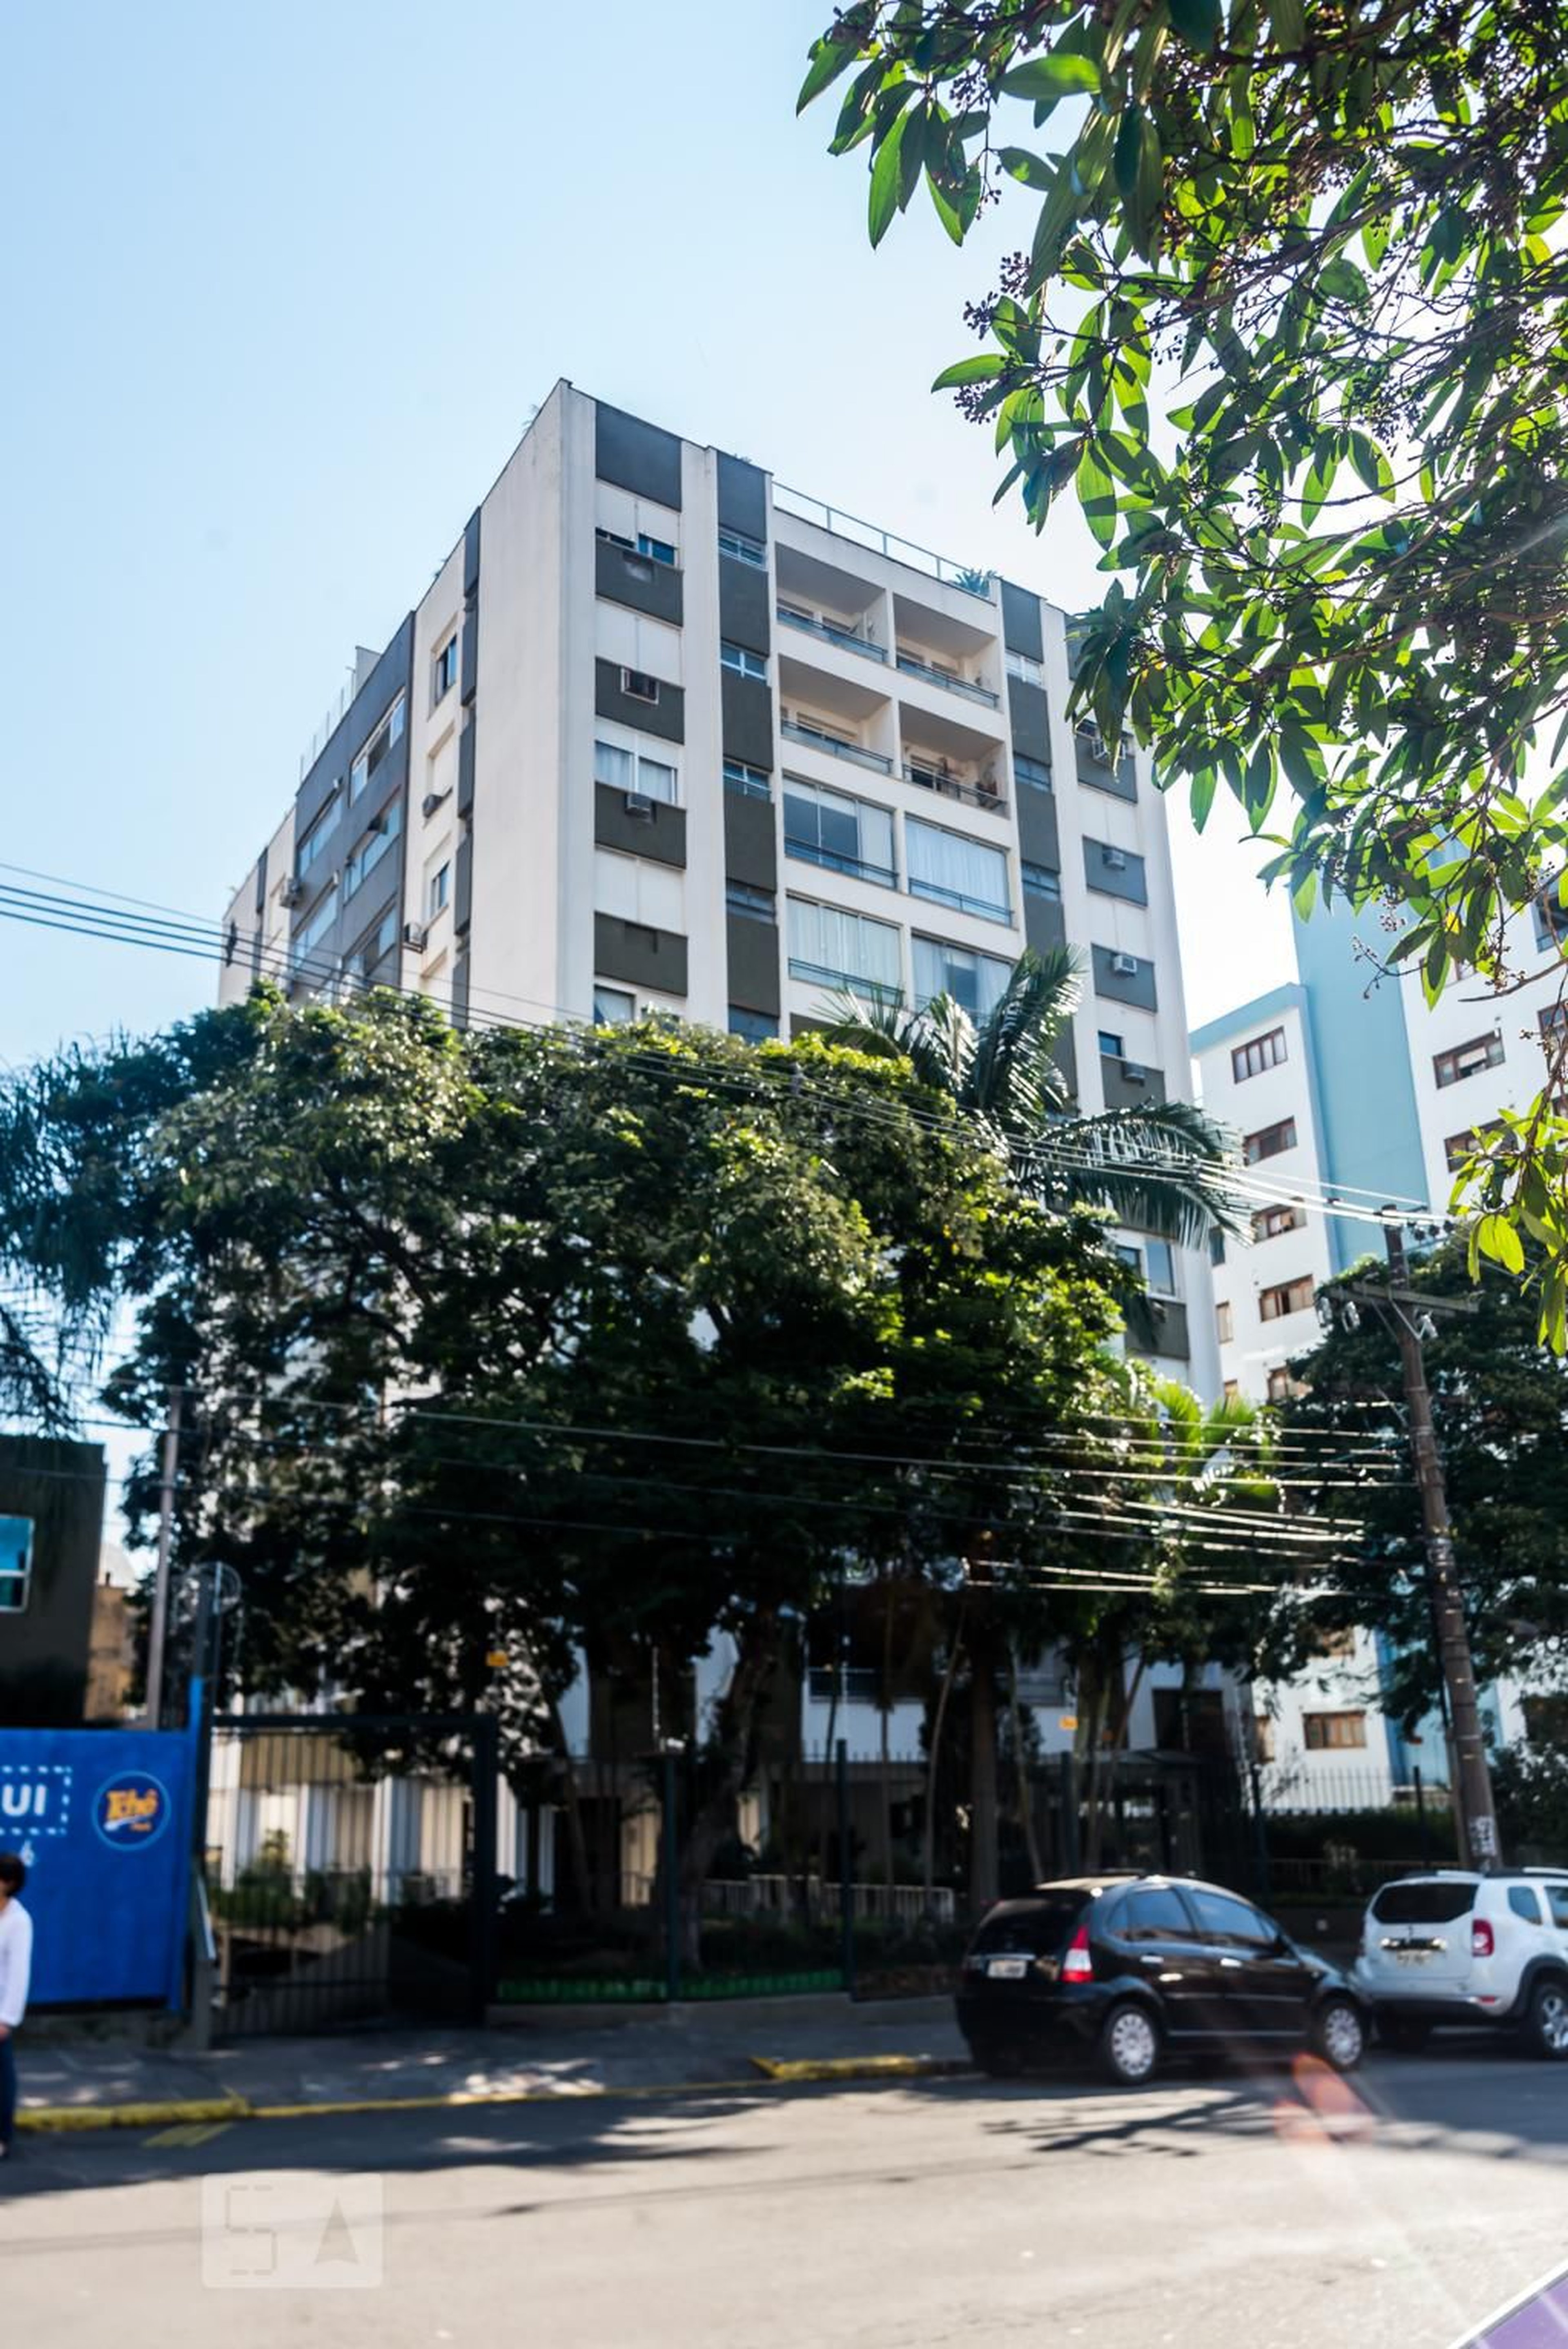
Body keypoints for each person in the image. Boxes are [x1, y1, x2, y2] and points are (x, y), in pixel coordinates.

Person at [0, 1851, 32, 2161]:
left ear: (8, 1883)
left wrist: (7, 2019)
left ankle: (2, 2136)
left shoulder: (19, 1921)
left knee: (1, 2076)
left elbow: (18, 1973)